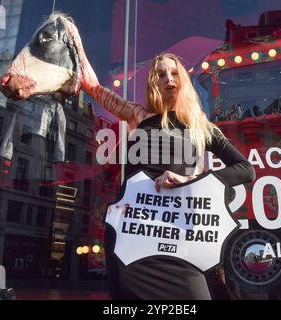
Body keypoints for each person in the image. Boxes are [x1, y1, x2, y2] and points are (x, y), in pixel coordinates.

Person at [77, 39, 255, 299]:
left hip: (182, 235)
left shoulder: (201, 126)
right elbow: (94, 89)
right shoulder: (139, 115)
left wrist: (190, 181)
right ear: (153, 83)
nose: (168, 79)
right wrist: (75, 41)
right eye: (161, 75)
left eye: (174, 73)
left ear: (183, 80)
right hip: (134, 234)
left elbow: (245, 169)